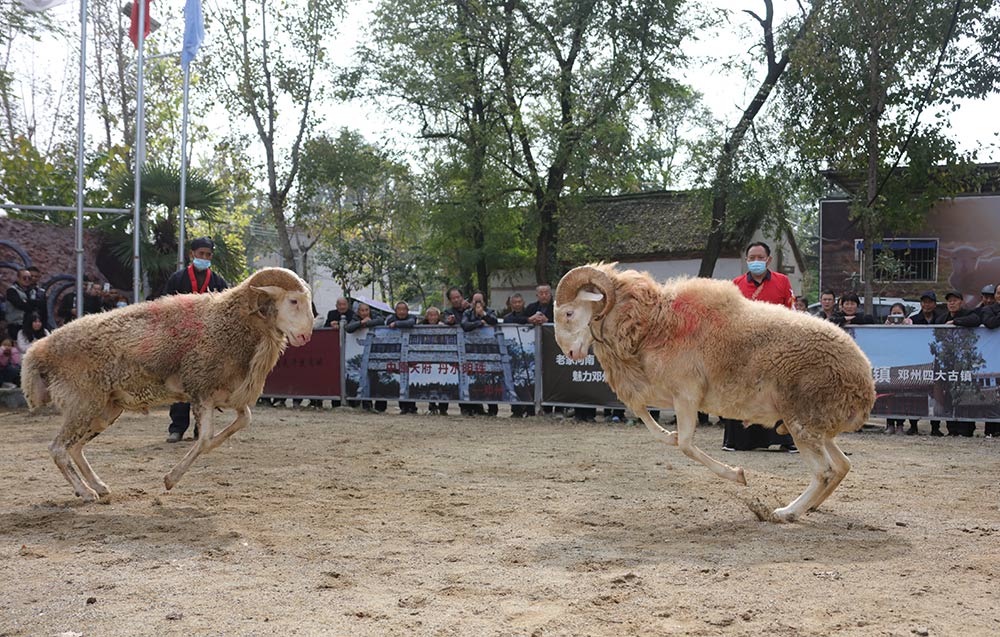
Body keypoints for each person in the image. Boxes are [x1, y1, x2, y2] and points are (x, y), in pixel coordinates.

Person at [723, 241, 797, 453]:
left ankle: (785, 440)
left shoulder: (782, 281)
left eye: (760, 257)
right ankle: (737, 441)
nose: (756, 261)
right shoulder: (735, 284)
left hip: (776, 346)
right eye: (752, 258)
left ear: (769, 260)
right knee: (741, 391)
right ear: (746, 260)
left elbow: (791, 311)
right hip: (745, 349)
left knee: (779, 391)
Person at [162, 237, 230, 444]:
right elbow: (164, 307)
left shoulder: (218, 282)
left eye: (208, 255)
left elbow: (226, 312)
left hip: (207, 343)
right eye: (201, 254)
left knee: (205, 387)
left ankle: (201, 428)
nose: (204, 258)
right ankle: (177, 428)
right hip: (181, 341)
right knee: (181, 386)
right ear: (192, 254)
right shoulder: (177, 279)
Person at [345, 303, 387, 412]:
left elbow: (381, 321)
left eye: (366, 310)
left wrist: (367, 323)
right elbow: (348, 328)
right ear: (358, 312)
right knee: (363, 378)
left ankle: (380, 407)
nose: (364, 312)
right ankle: (365, 405)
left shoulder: (376, 314)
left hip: (378, 350)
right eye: (362, 311)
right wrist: (361, 322)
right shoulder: (355, 318)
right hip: (360, 353)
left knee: (379, 378)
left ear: (369, 310)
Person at [462, 292, 499, 416]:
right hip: (473, 350)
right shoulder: (467, 313)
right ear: (472, 302)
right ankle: (477, 408)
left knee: (490, 378)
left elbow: (494, 321)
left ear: (484, 302)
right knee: (474, 378)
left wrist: (483, 314)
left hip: (489, 350)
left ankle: (493, 409)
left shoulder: (490, 311)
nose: (477, 303)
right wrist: (478, 323)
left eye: (480, 301)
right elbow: (464, 325)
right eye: (475, 301)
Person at [883, 303, 914, 434]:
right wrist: (886, 327)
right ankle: (889, 424)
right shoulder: (887, 325)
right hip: (890, 363)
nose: (896, 317)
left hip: (904, 363)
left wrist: (906, 326)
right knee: (889, 395)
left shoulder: (910, 323)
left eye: (899, 313)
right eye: (893, 313)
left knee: (901, 395)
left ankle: (900, 425)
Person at [386, 301, 418, 414]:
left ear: (407, 311)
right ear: (395, 311)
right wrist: (394, 322)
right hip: (395, 352)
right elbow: (386, 322)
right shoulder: (390, 317)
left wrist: (396, 324)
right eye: (399, 309)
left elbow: (410, 323)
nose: (402, 312)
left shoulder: (412, 317)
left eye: (404, 309)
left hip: (410, 351)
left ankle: (412, 407)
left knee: (411, 377)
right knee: (399, 377)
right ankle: (403, 407)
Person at [421, 307, 450, 416]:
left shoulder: (443, 326)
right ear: (427, 316)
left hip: (441, 356)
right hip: (428, 357)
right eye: (430, 315)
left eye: (435, 315)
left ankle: (443, 407)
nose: (432, 317)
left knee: (443, 381)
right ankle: (432, 406)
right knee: (429, 380)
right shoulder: (421, 326)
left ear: (438, 316)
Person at [5, 269, 45, 339]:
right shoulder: (11, 290)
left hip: (31, 326)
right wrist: (32, 303)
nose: (27, 280)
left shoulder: (34, 291)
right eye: (24, 278)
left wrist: (26, 301)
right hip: (16, 325)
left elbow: (40, 305)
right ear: (18, 278)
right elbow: (19, 304)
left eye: (29, 278)